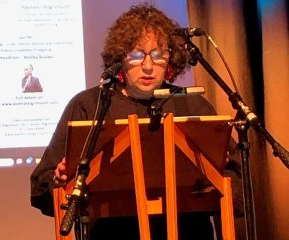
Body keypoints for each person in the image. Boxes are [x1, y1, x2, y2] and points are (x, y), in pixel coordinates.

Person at [30, 3, 242, 240]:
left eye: (159, 55)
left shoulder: (192, 105)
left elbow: (237, 189)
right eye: (137, 55)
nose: (148, 66)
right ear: (120, 57)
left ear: (171, 58)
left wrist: (216, 173)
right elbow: (41, 188)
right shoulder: (90, 106)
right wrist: (60, 180)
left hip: (188, 232)